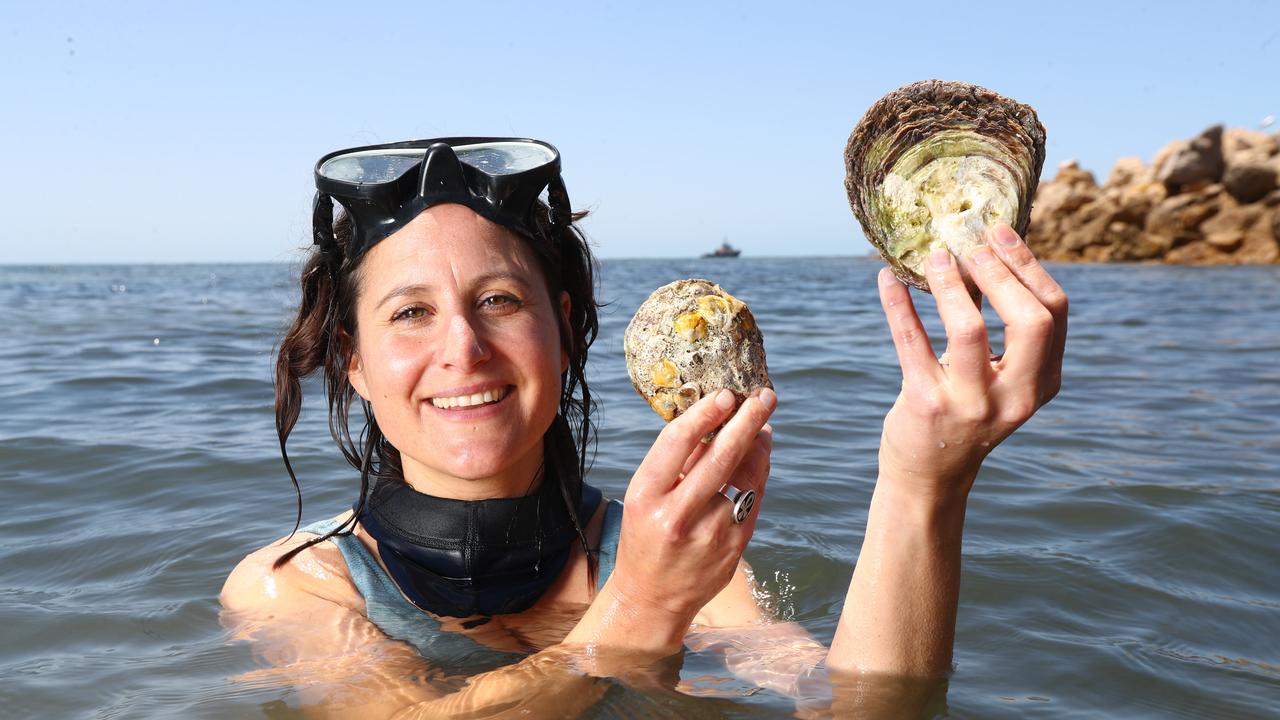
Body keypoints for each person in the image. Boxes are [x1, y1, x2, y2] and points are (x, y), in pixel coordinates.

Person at [221, 137, 1067, 717]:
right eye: (410, 312)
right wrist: (644, 607)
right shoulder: (294, 587)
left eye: (499, 302)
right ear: (353, 362)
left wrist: (927, 480)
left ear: (564, 329)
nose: (465, 349)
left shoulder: (679, 554)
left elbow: (862, 709)